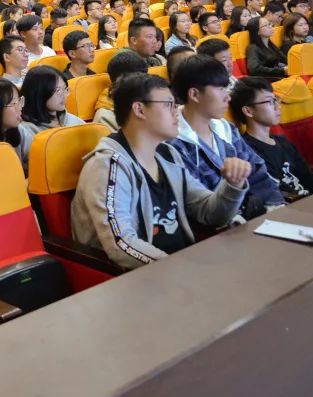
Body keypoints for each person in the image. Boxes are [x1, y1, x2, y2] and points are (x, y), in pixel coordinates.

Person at [71, 73, 248, 270]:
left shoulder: (168, 155)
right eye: (168, 104)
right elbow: (120, 244)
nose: (176, 111)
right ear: (139, 110)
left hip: (180, 267)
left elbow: (209, 212)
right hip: (139, 277)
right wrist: (178, 268)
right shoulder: (106, 166)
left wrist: (233, 184)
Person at [170, 55, 285, 217]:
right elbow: (200, 207)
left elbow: (257, 172)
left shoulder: (225, 128)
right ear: (194, 94)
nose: (228, 97)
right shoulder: (174, 144)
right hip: (221, 225)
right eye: (220, 89)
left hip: (256, 216)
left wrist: (276, 206)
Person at [230, 77, 313, 200]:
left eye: (276, 100)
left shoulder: (283, 142)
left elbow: (311, 179)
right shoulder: (247, 151)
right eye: (270, 102)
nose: (278, 107)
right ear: (248, 111)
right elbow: (273, 194)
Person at [17, 66, 85, 170]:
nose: (64, 96)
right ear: (39, 93)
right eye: (57, 90)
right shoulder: (22, 131)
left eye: (65, 89)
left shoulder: (73, 121)